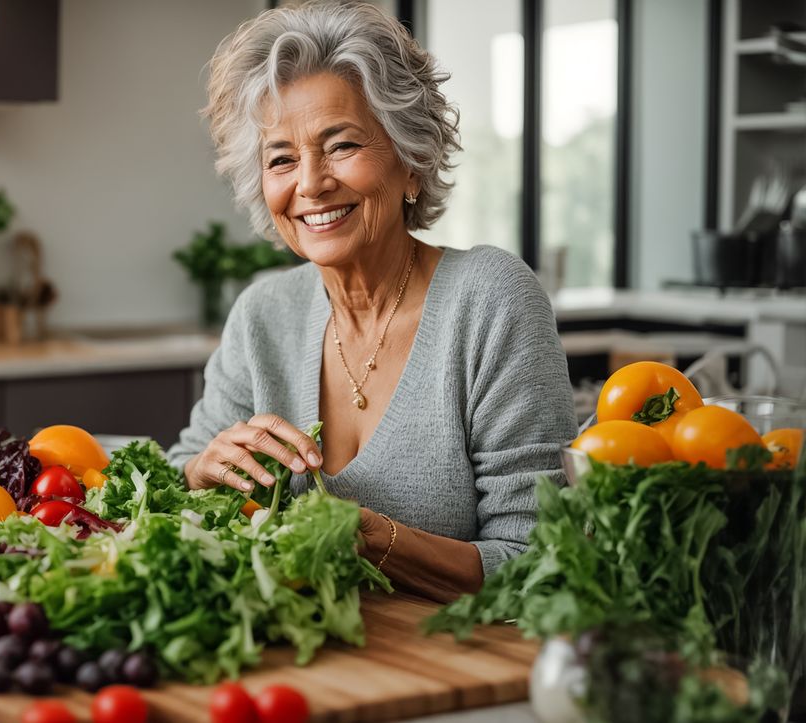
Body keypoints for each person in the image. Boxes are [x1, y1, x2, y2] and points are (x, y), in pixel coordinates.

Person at [167, 1, 577, 603]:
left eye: (341, 146)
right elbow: (181, 478)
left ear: (411, 162)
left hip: (452, 671)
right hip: (298, 656)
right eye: (281, 158)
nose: (310, 183)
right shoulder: (263, 316)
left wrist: (368, 539)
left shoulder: (490, 298)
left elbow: (541, 557)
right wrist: (200, 475)